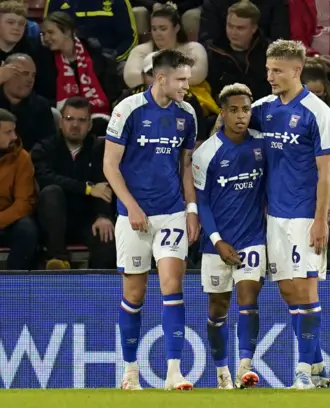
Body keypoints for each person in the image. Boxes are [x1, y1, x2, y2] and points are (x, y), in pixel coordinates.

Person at [103, 49, 200, 391]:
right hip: (133, 216)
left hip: (171, 210)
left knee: (173, 286)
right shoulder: (127, 110)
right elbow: (110, 166)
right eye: (182, 79)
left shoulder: (187, 114)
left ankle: (174, 373)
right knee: (135, 293)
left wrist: (191, 209)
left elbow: (185, 166)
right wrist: (130, 206)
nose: (187, 86)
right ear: (161, 78)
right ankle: (130, 373)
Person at [249, 39, 330, 389]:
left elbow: (327, 171)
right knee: (287, 290)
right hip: (274, 215)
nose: (270, 76)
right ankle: (318, 369)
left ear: (297, 70)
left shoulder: (318, 112)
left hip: (303, 214)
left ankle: (302, 370)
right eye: (268, 70)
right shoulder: (262, 109)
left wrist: (320, 219)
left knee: (306, 289)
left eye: (278, 71)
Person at [192, 83, 265, 389]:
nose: (240, 116)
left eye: (246, 110)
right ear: (221, 113)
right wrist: (217, 241)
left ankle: (245, 367)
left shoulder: (262, 145)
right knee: (217, 309)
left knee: (248, 299)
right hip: (217, 244)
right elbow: (202, 203)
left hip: (252, 238)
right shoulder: (205, 153)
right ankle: (222, 372)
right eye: (233, 110)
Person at [31, 96, 117, 270]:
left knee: (107, 238)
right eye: (69, 119)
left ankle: (95, 290)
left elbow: (105, 185)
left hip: (87, 218)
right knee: (51, 192)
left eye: (82, 120)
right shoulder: (45, 148)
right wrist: (86, 188)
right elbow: (45, 178)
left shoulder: (100, 149)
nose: (75, 125)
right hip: (51, 221)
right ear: (61, 122)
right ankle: (59, 260)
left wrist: (103, 216)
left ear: (90, 125)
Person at [124, 5, 207, 89]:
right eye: (154, 29)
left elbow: (198, 74)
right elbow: (131, 77)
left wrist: (152, 78)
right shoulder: (141, 50)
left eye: (163, 29)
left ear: (176, 28)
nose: (158, 33)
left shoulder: (193, 48)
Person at [0, 108, 37, 270]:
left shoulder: (22, 158)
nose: (14, 137)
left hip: (9, 222)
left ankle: (14, 284)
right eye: (8, 132)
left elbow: (24, 203)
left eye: (14, 131)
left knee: (27, 229)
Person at [301, 58, 330, 172]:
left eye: (318, 93)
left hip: (327, 168)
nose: (315, 99)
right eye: (310, 94)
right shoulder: (286, 110)